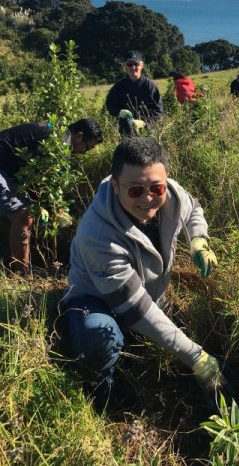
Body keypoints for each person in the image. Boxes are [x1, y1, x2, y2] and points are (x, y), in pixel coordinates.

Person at [60, 136, 225, 408]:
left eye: (155, 188)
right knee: (99, 333)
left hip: (148, 294)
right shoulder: (97, 234)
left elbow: (192, 208)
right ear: (115, 186)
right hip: (96, 300)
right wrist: (198, 358)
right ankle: (104, 396)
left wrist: (198, 239)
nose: (148, 198)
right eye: (135, 190)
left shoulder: (169, 192)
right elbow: (133, 307)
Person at [0, 118, 103, 269]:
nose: (83, 152)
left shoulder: (57, 134)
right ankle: (21, 273)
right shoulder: (57, 143)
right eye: (86, 148)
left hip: (6, 169)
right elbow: (41, 181)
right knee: (22, 218)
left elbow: (36, 180)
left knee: (25, 215)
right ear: (79, 136)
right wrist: (53, 208)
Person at [105, 51, 163, 134]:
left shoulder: (150, 86)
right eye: (130, 64)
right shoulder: (119, 86)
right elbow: (110, 104)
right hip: (125, 132)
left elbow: (158, 110)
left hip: (147, 132)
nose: (133, 67)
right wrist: (119, 112)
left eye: (136, 64)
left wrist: (144, 122)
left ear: (142, 65)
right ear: (125, 66)